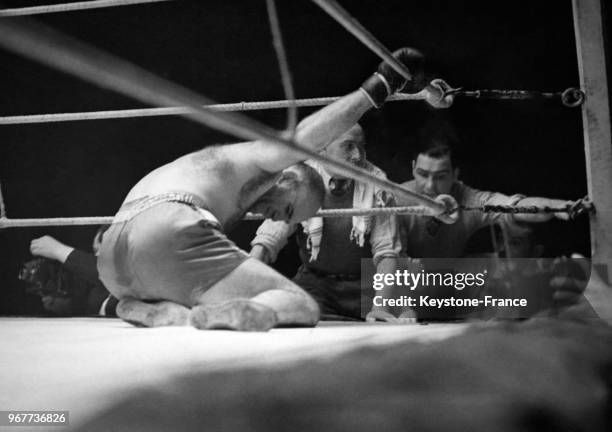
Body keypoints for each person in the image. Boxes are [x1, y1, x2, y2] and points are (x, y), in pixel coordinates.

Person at [98, 47, 449, 331]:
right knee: (300, 305)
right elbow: (303, 140)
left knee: (213, 285)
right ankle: (212, 315)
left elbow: (386, 250)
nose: (271, 216)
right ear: (288, 179)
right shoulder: (259, 161)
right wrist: (379, 87)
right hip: (166, 230)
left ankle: (160, 311)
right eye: (287, 212)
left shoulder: (219, 178)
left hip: (115, 260)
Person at [249, 124, 413, 323]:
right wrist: (240, 288)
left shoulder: (377, 182)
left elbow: (387, 253)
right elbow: (268, 240)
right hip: (316, 286)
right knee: (277, 312)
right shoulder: (302, 178)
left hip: (368, 288)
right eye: (349, 146)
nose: (358, 156)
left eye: (362, 146)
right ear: (322, 148)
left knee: (405, 318)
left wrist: (380, 307)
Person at [28, 226, 117, 316]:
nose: (97, 255)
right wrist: (57, 302)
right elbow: (85, 307)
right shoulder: (99, 289)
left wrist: (57, 250)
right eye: (95, 252)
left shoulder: (127, 280)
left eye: (102, 250)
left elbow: (111, 272)